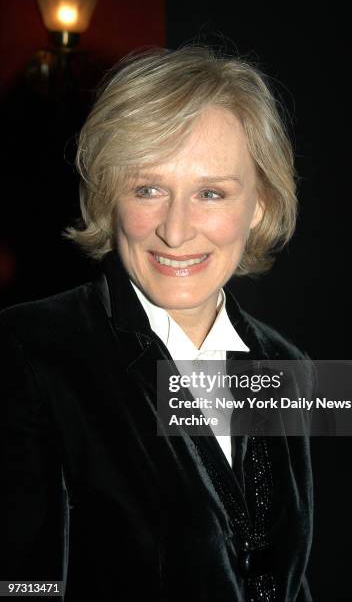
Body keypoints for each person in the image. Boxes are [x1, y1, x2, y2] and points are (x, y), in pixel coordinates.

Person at [0, 46, 314, 601]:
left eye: (210, 193)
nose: (175, 229)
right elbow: (25, 585)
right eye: (148, 189)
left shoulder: (287, 367)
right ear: (109, 196)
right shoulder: (32, 350)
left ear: (259, 205)